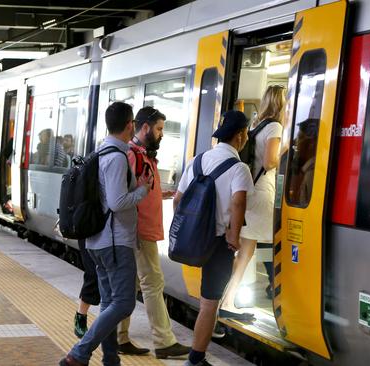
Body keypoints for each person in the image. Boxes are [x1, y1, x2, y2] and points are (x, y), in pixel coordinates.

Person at [60, 102, 152, 366]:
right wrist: (143, 190)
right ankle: (79, 353)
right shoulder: (116, 157)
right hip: (114, 242)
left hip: (99, 241)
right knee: (123, 304)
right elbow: (117, 202)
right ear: (130, 125)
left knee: (110, 302)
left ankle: (111, 360)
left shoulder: (101, 152)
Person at [174, 111, 253, 366]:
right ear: (240, 136)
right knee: (209, 303)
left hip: (193, 240)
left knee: (205, 301)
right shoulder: (239, 168)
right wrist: (234, 235)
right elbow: (238, 202)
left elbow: (178, 200)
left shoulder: (197, 161)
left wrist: (189, 228)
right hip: (219, 244)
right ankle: (195, 359)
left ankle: (196, 357)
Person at [116, 106, 190, 358]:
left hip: (142, 228)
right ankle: (164, 341)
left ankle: (119, 336)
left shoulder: (142, 154)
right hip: (139, 230)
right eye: (159, 129)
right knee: (153, 282)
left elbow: (142, 189)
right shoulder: (132, 155)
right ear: (145, 127)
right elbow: (125, 194)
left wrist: (160, 193)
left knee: (132, 284)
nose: (161, 134)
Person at [221, 85, 284, 315]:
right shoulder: (276, 126)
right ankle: (227, 300)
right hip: (263, 193)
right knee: (264, 247)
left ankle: (226, 298)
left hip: (251, 191)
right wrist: (286, 150)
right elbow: (269, 162)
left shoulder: (257, 126)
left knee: (246, 252)